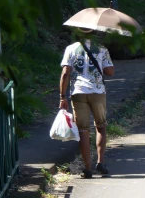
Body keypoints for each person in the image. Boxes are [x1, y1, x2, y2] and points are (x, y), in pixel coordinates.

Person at [59, 29, 114, 178]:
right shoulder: (102, 48)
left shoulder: (71, 49)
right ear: (94, 32)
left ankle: (88, 168)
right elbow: (110, 71)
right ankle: (100, 163)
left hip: (78, 92)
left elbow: (65, 73)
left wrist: (62, 96)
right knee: (101, 127)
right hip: (97, 92)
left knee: (83, 130)